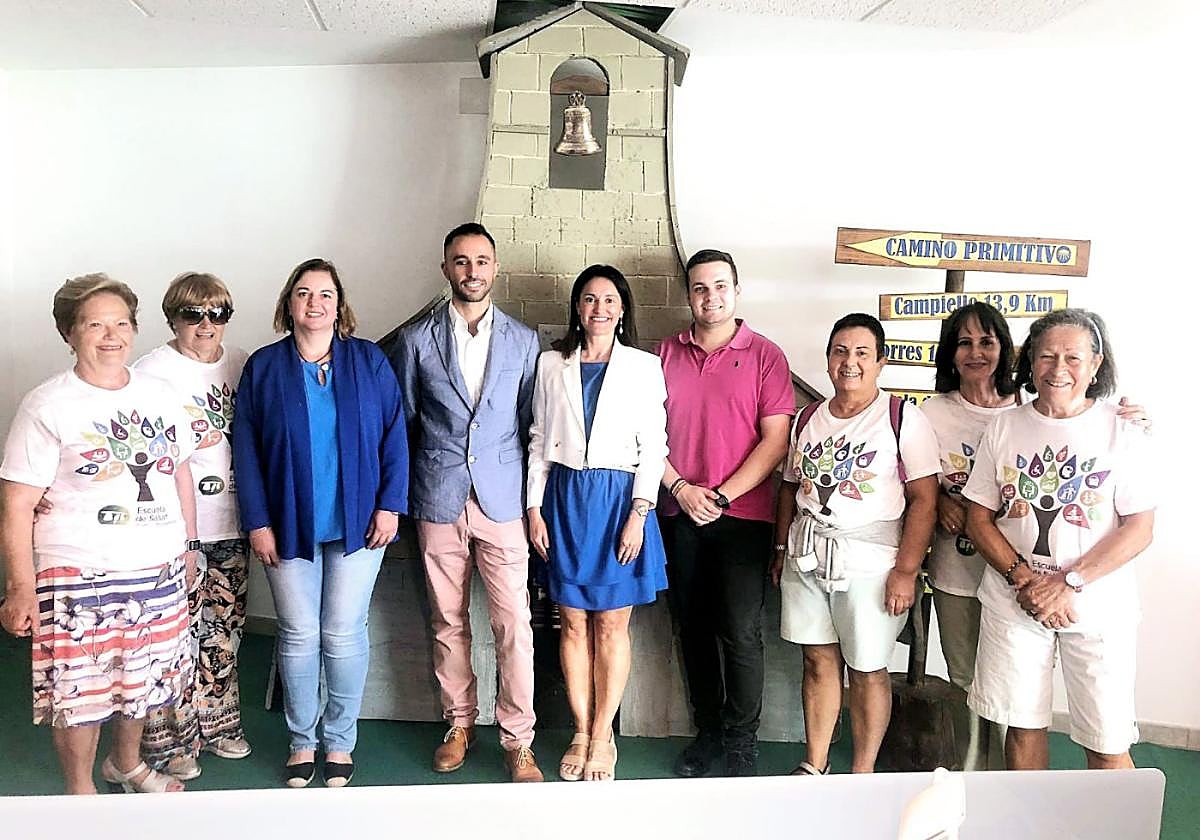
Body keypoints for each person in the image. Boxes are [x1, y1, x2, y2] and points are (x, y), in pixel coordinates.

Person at [922, 301, 1150, 771]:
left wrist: (1069, 582)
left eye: (1073, 357)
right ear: (1029, 360)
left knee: (1106, 740)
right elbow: (980, 518)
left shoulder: (1121, 430)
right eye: (1046, 356)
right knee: (1021, 728)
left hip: (1097, 607)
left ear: (1095, 364)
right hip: (1015, 603)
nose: (1058, 368)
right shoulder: (1005, 426)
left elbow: (1139, 528)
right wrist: (1025, 580)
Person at [0, 274, 199, 794]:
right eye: (95, 325)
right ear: (69, 333)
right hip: (78, 569)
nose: (112, 336)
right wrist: (20, 588)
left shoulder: (160, 394)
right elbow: (17, 502)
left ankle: (125, 763)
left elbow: (178, 471)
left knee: (142, 680)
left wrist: (188, 546)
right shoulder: (47, 404)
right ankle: (80, 790)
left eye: (122, 324)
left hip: (157, 565)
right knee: (80, 692)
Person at [232, 258, 408, 788]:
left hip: (361, 523)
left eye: (325, 294)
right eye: (304, 293)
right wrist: (257, 521)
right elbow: (246, 450)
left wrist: (390, 505)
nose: (315, 302)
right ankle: (302, 741)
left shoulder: (369, 361)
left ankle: (340, 741)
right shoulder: (264, 367)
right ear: (289, 303)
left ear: (339, 305)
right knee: (299, 633)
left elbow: (395, 434)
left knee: (343, 632)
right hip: (287, 523)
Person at [389, 223, 543, 783]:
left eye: (481, 261)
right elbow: (407, 419)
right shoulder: (416, 340)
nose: (472, 271)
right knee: (447, 620)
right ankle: (458, 724)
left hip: (503, 501)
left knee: (514, 623)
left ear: (495, 268)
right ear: (446, 269)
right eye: (461, 261)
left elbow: (529, 423)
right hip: (438, 497)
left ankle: (518, 739)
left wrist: (527, 499)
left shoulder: (524, 341)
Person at [772, 313, 939, 775]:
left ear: (880, 362)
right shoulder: (808, 418)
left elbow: (925, 499)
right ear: (828, 359)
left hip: (872, 564)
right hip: (807, 556)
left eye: (863, 353)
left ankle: (862, 771)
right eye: (840, 351)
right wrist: (781, 550)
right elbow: (789, 487)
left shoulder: (901, 418)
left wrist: (906, 571)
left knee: (867, 667)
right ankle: (816, 762)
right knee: (816, 658)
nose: (850, 362)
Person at [527, 264, 669, 782]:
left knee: (611, 624)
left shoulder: (644, 367)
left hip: (619, 503)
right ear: (577, 307)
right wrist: (534, 508)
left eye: (609, 300)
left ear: (623, 308)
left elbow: (655, 447)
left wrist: (639, 514)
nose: (599, 308)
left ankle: (605, 736)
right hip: (565, 501)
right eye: (590, 299)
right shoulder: (551, 364)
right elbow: (538, 440)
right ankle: (581, 732)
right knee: (571, 624)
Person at [659, 249, 794, 777]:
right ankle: (708, 734)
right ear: (688, 294)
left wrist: (720, 496)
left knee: (740, 632)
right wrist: (681, 488)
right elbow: (643, 435)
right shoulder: (663, 354)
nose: (710, 297)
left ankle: (742, 742)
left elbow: (775, 440)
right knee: (691, 629)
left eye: (720, 286)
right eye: (699, 288)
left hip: (744, 516)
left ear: (736, 291)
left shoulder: (765, 355)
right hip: (679, 512)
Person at [131, 272, 251, 780]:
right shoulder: (150, 372)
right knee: (173, 634)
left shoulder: (241, 362)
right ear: (172, 318)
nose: (206, 324)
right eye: (193, 314)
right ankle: (171, 740)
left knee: (224, 627)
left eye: (217, 314)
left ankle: (219, 724)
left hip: (233, 521)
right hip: (175, 527)